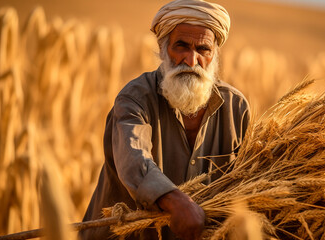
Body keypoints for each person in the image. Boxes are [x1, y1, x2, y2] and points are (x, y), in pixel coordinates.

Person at [79, 0, 250, 239]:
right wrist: (177, 202)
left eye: (203, 49)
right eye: (181, 46)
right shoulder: (135, 98)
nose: (192, 61)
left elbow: (248, 180)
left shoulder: (235, 107)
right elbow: (133, 160)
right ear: (162, 48)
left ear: (215, 54)